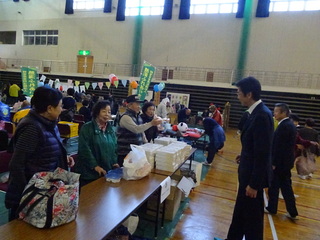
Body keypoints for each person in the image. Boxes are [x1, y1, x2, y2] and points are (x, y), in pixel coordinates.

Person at [5, 87, 74, 221]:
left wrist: (61, 157)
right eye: (60, 106)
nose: (62, 109)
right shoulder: (31, 128)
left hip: (44, 190)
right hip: (30, 196)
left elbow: (44, 150)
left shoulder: (49, 123)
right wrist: (28, 194)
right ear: (49, 108)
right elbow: (16, 165)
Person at [225, 77, 273, 240]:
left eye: (239, 93)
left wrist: (254, 184)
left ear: (249, 94)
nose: (237, 96)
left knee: (252, 220)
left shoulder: (261, 116)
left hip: (252, 179)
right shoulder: (254, 114)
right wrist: (244, 155)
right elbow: (254, 147)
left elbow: (263, 153)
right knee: (240, 213)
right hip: (247, 172)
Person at [265, 103, 299, 221]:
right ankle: (291, 211)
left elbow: (280, 147)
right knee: (285, 187)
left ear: (283, 113)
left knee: (276, 186)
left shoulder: (285, 126)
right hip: (285, 163)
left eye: (276, 112)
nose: (274, 114)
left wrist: (274, 162)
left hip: (281, 163)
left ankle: (272, 208)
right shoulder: (288, 124)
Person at [75, 100, 118, 187]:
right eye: (104, 111)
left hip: (105, 173)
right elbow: (84, 149)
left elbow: (114, 148)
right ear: (97, 112)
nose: (107, 114)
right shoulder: (87, 128)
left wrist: (114, 162)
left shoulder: (110, 130)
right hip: (89, 174)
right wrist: (95, 166)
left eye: (109, 112)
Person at [117, 95, 162, 166]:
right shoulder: (126, 117)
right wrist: (151, 123)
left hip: (136, 152)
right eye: (137, 104)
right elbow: (136, 129)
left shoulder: (138, 116)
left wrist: (147, 143)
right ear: (129, 105)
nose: (139, 106)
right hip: (126, 153)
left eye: (139, 104)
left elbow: (141, 131)